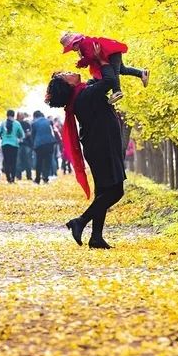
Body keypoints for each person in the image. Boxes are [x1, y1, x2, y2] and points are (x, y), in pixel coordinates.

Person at [46, 63, 126, 249]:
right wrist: (104, 61)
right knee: (115, 191)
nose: (71, 72)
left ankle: (96, 237)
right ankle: (80, 222)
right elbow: (109, 81)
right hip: (102, 148)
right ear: (68, 85)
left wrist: (96, 61)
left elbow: (98, 80)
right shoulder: (84, 96)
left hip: (99, 147)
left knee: (104, 192)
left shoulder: (81, 94)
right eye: (66, 74)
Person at [60, 31, 149, 104]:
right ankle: (141, 73)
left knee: (115, 73)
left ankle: (116, 91)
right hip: (111, 53)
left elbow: (90, 56)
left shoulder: (84, 44)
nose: (73, 50)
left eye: (72, 48)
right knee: (122, 69)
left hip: (110, 53)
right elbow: (91, 57)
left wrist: (81, 62)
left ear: (76, 42)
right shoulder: (84, 44)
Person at [0, 110, 25, 183]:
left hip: (5, 144)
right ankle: (13, 178)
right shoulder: (17, 123)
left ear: (7, 115)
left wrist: (2, 135)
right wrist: (17, 136)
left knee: (7, 161)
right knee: (13, 162)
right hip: (14, 145)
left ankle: (8, 179)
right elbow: (22, 135)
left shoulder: (3, 123)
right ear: (14, 115)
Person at [30, 110, 56, 184]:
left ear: (35, 116)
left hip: (39, 145)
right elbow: (52, 132)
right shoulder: (49, 121)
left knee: (39, 162)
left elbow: (33, 136)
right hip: (50, 143)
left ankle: (37, 179)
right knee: (48, 161)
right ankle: (45, 178)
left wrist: (33, 146)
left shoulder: (34, 123)